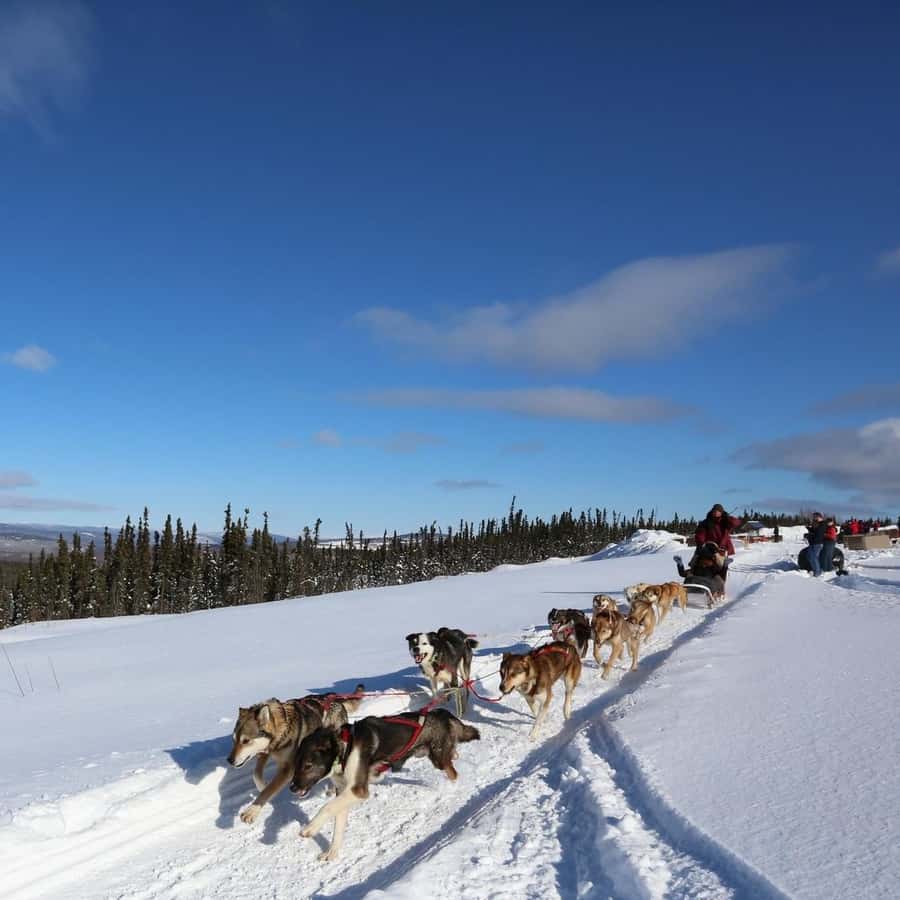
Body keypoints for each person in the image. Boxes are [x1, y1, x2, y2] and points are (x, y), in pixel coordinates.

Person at [806, 512, 827, 577]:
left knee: (814, 557)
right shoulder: (817, 523)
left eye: (815, 516)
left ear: (819, 517)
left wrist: (811, 535)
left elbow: (818, 534)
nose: (814, 518)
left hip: (817, 543)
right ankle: (816, 570)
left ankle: (817, 572)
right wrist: (809, 528)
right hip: (813, 543)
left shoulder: (822, 524)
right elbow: (814, 531)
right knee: (809, 556)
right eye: (813, 516)